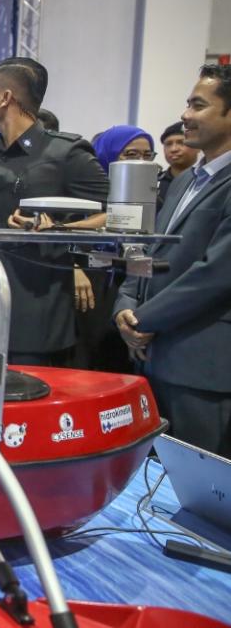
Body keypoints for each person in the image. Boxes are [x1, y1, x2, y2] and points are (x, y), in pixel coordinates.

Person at [0, 57, 109, 365]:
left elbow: (120, 214)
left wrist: (59, 231)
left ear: (6, 98)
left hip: (34, 316)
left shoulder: (66, 153)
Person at [114, 64, 231, 458]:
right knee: (151, 485)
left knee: (198, 497)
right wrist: (125, 307)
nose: (185, 116)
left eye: (198, 105)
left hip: (202, 368)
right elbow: (147, 253)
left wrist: (143, 320)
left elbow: (215, 274)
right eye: (187, 104)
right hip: (153, 357)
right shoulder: (182, 181)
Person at [70, 125, 155, 373]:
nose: (140, 162)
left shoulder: (155, 202)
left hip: (127, 296)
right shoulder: (82, 195)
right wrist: (73, 268)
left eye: (147, 155)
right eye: (130, 154)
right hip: (84, 295)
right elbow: (58, 235)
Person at [158, 121, 199, 205]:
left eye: (181, 142)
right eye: (168, 144)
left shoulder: (207, 181)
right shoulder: (155, 183)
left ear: (197, 147)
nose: (174, 149)